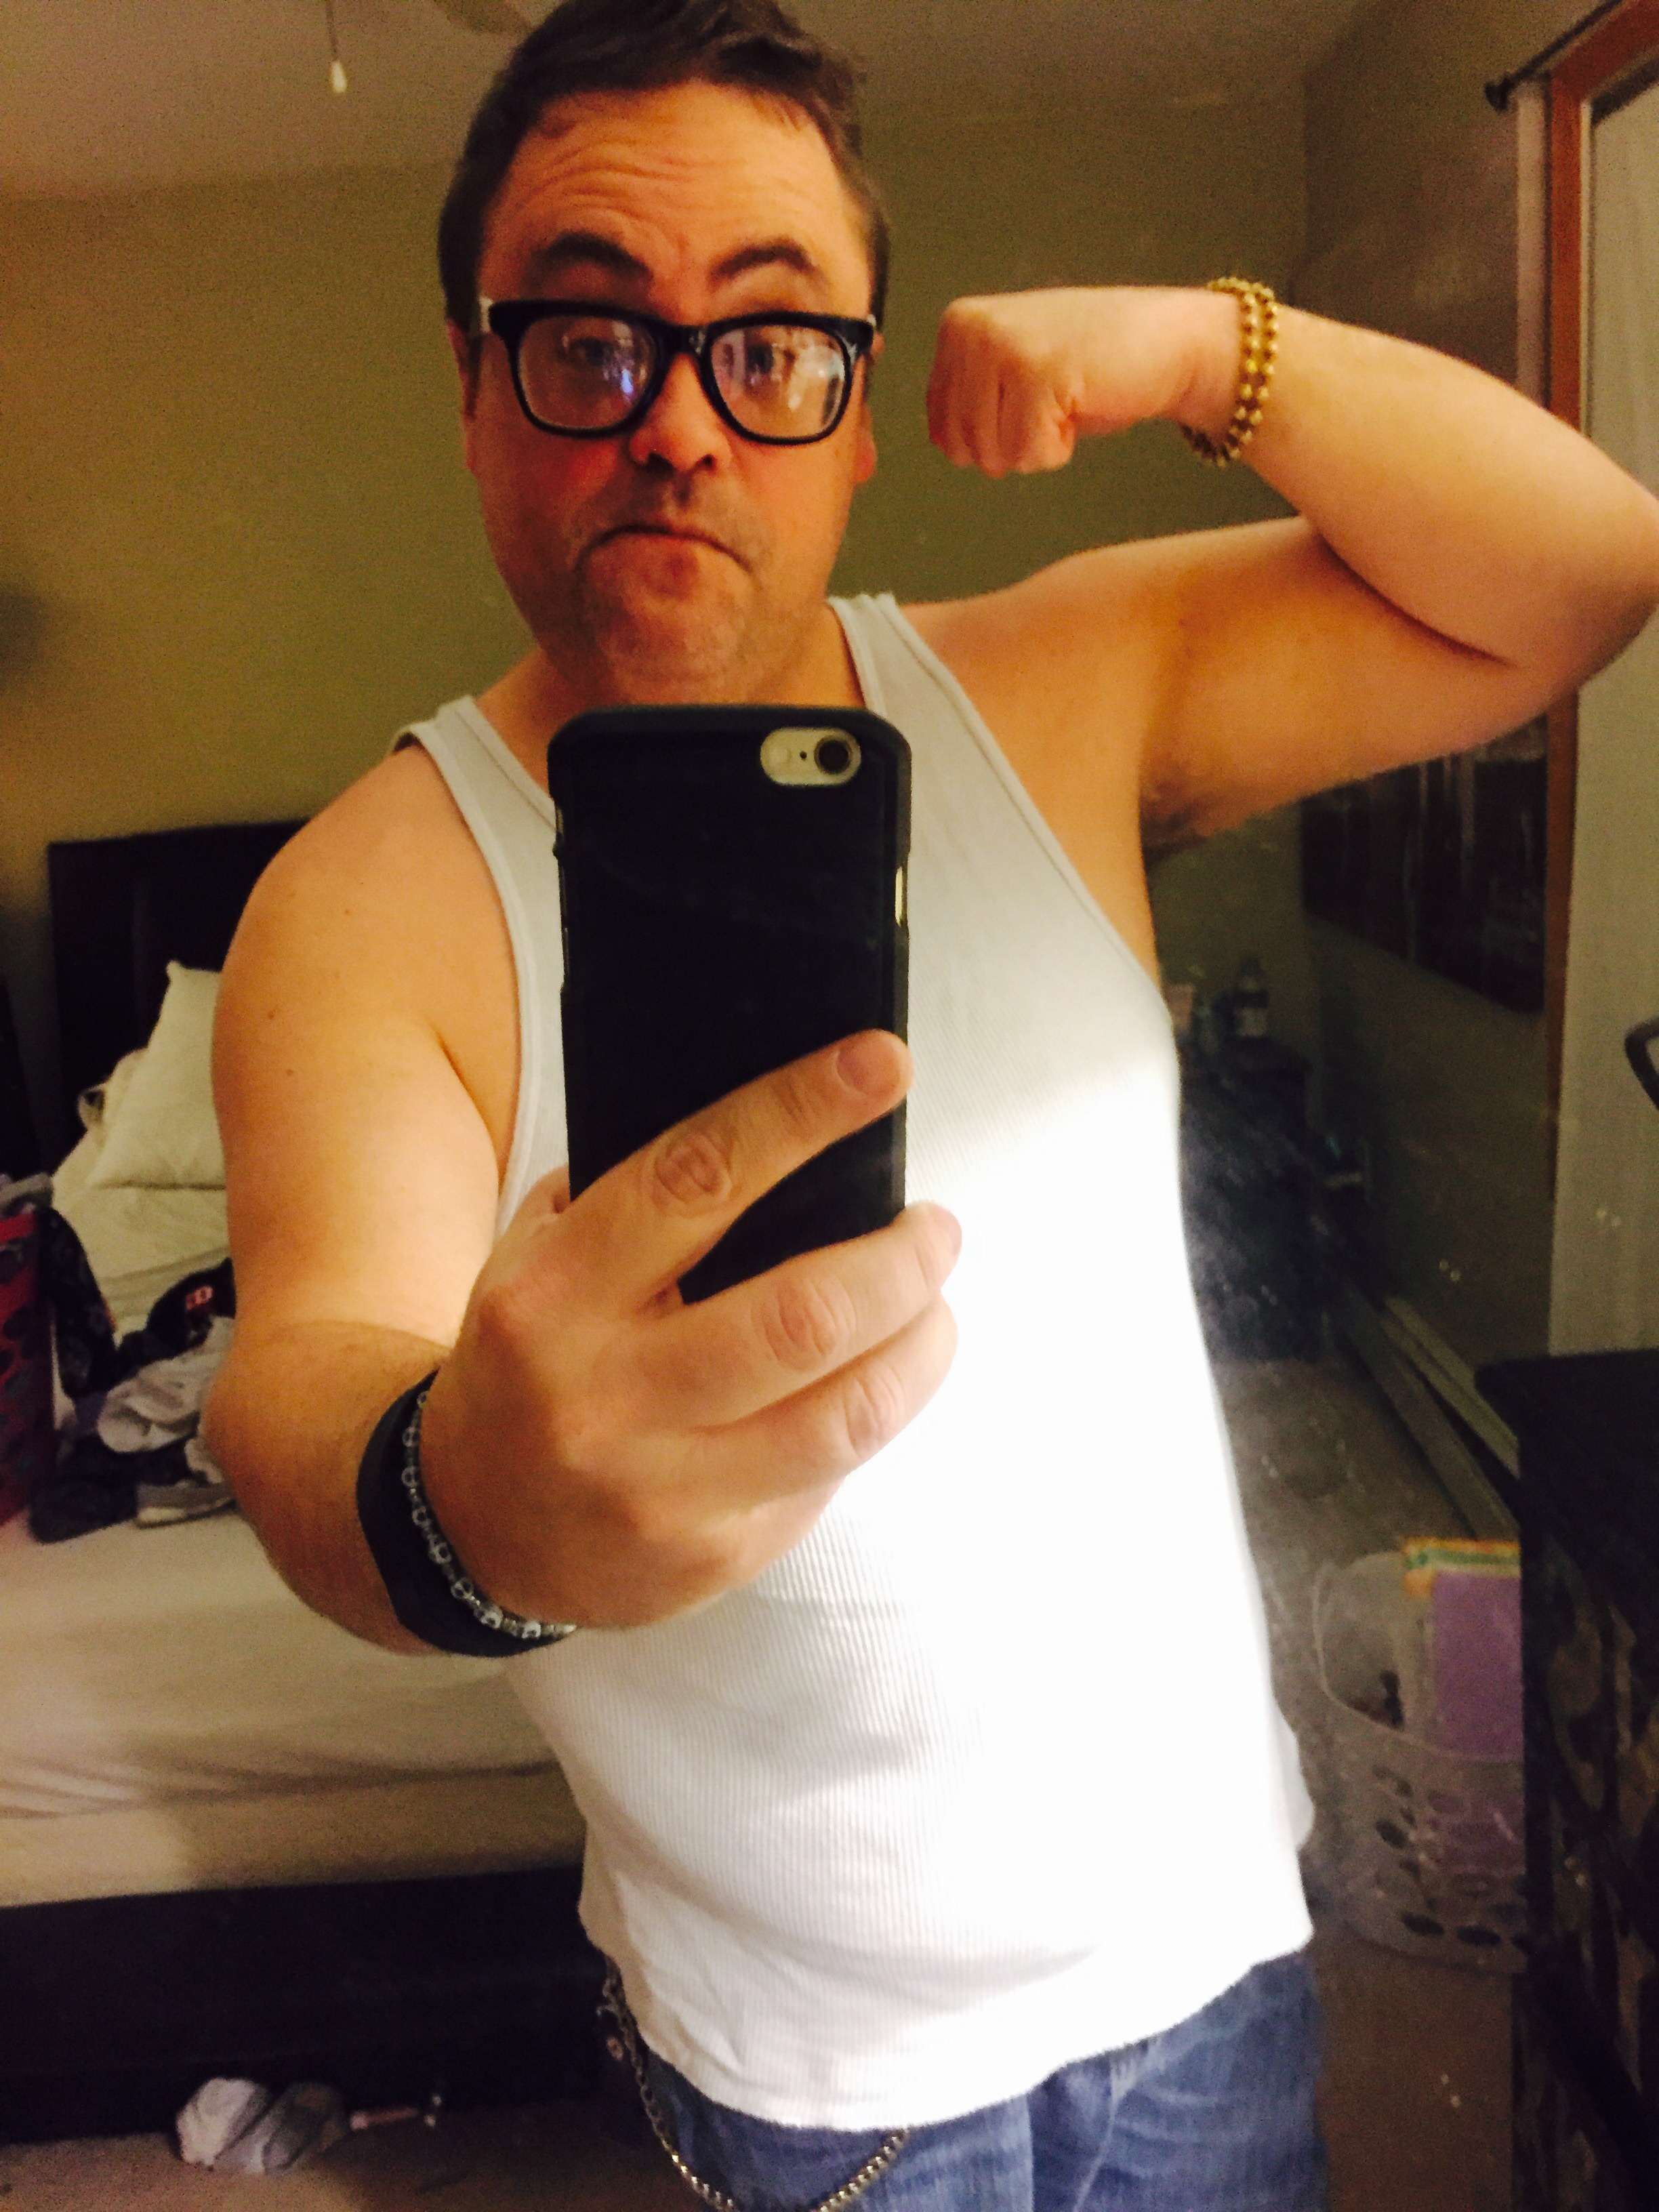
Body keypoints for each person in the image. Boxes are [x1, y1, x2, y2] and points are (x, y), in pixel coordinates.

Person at [204, 1, 1659, 2203]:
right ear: (475, 385)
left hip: (1207, 1953)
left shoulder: (1051, 689)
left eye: (772, 342)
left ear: (858, 409)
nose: (680, 426)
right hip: (825, 2083)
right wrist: (456, 1506)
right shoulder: (364, 904)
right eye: (588, 341)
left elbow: (1590, 571)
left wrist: (1210, 354)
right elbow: (302, 1373)